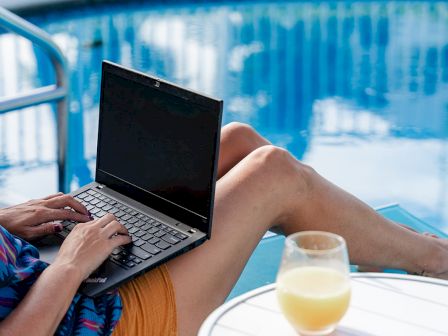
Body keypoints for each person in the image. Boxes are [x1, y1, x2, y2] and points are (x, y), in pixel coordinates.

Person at [0, 122, 447, 336]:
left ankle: (373, 253)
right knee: (273, 172)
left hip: (43, 271)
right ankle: (434, 261)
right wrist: (72, 266)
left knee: (236, 142)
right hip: (95, 321)